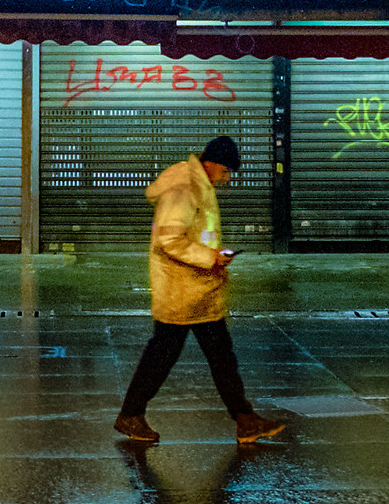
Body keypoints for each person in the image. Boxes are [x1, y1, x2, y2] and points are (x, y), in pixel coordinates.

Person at [114, 134, 286, 445]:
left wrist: (213, 259)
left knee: (218, 355)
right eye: (226, 171)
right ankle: (131, 414)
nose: (227, 177)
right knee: (166, 355)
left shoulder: (198, 183)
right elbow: (170, 239)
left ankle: (245, 419)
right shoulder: (185, 187)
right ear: (215, 164)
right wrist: (210, 258)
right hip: (182, 292)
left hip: (197, 290)